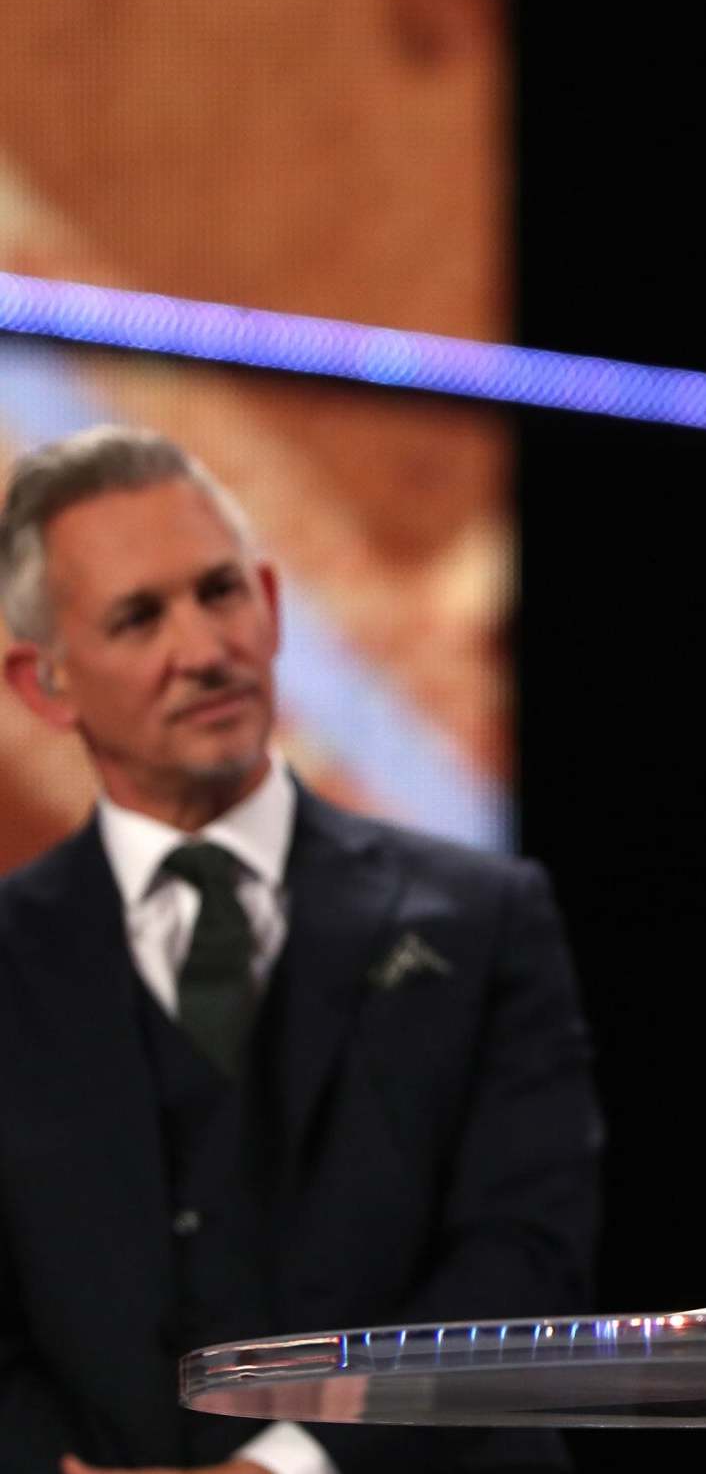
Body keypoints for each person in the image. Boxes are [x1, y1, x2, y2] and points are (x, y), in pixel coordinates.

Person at [0, 427, 601, 1474]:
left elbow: (525, 1261)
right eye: (140, 617)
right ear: (43, 684)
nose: (203, 648)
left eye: (220, 592)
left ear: (272, 606)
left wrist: (286, 1467)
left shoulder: (485, 917)